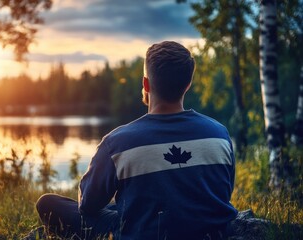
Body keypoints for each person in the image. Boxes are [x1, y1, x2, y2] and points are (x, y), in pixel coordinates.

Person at [34, 41, 238, 240]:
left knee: (48, 203)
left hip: (141, 233)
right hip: (212, 232)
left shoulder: (117, 143)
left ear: (146, 84)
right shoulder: (219, 133)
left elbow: (87, 204)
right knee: (120, 204)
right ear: (188, 84)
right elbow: (222, 193)